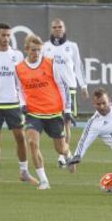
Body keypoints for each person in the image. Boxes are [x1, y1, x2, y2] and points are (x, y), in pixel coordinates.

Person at [0, 23, 38, 185]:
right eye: (3, 35)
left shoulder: (17, 55)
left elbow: (22, 81)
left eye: (8, 35)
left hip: (13, 103)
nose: (6, 38)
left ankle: (24, 172)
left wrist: (25, 101)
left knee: (20, 137)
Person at [15, 34, 72, 190]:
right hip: (33, 113)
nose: (36, 53)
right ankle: (44, 181)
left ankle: (67, 154)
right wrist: (22, 103)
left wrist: (67, 109)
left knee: (60, 148)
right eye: (33, 50)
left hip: (53, 112)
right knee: (32, 143)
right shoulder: (19, 68)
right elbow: (19, 89)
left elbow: (63, 86)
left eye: (39, 50)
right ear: (26, 49)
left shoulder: (50, 64)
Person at [42, 18, 89, 168]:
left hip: (69, 88)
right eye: (55, 27)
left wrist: (84, 86)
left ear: (64, 28)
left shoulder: (72, 46)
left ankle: (63, 156)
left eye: (60, 27)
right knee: (57, 122)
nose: (57, 29)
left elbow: (78, 66)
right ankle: (64, 152)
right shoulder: (45, 47)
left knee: (66, 122)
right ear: (51, 29)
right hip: (52, 90)